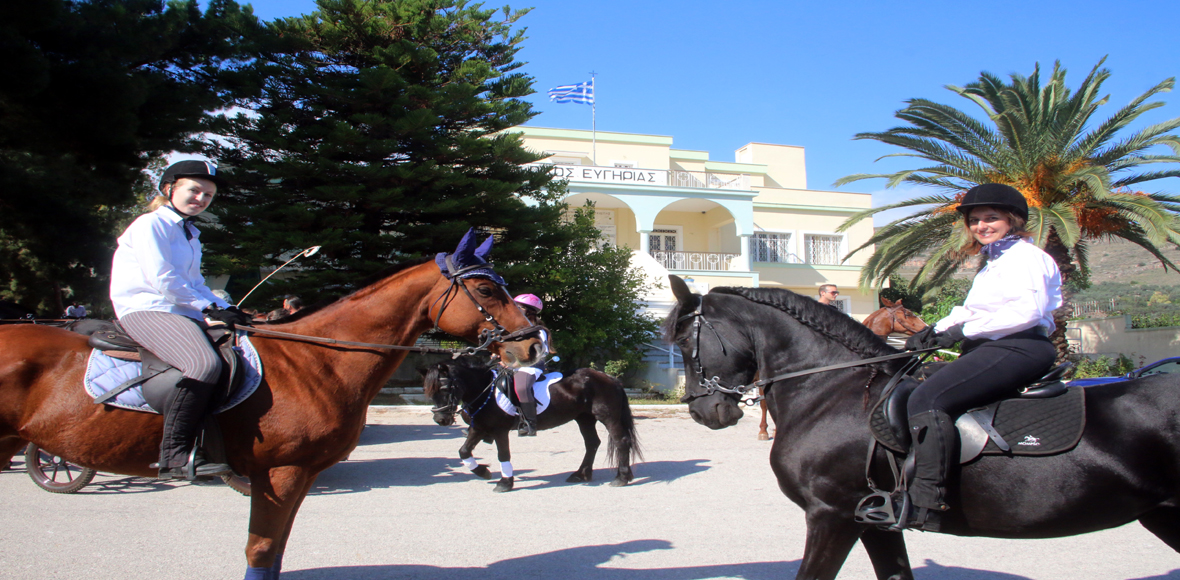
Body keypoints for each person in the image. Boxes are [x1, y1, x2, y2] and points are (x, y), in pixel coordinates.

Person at [858, 183, 1062, 532]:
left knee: (928, 398)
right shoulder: (992, 263)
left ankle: (926, 500)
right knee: (914, 380)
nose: (982, 225)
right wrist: (933, 332)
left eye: (991, 218)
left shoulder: (1027, 258)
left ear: (1012, 220)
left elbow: (1027, 312)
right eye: (975, 220)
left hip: (1020, 345)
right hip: (992, 346)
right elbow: (969, 310)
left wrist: (962, 332)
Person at [109, 159, 252, 480]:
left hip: (178, 311)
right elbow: (163, 279)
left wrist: (225, 307)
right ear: (169, 189)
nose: (201, 198)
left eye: (209, 195)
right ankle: (173, 455)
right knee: (204, 365)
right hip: (146, 309)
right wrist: (207, 308)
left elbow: (195, 283)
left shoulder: (190, 234)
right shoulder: (150, 225)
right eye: (195, 190)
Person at [507, 293, 551, 436]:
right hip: (510, 364)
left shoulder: (538, 331)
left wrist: (515, 364)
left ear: (529, 311)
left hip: (530, 366)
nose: (514, 309)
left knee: (521, 387)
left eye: (518, 307)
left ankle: (529, 423)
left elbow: (538, 353)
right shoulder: (514, 327)